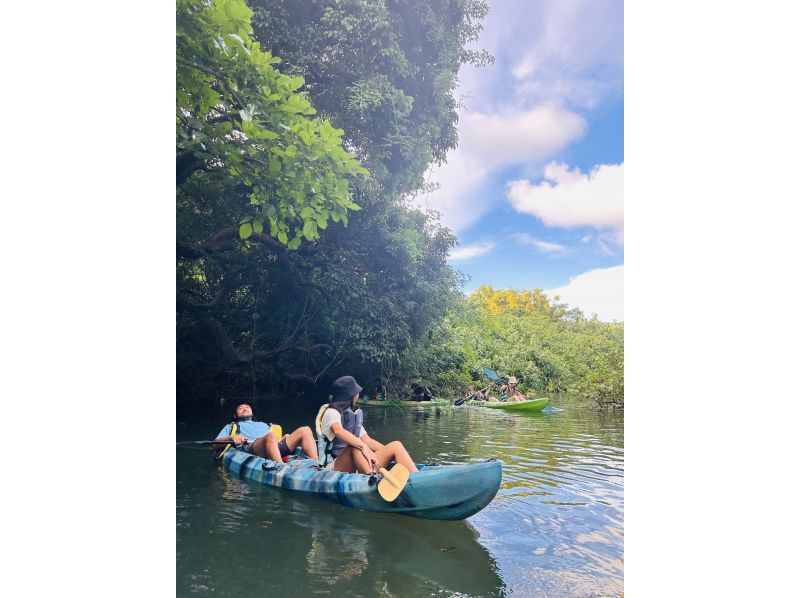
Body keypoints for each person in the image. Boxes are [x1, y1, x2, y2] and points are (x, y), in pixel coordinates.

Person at [317, 376, 418, 474]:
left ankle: (416, 477)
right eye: (356, 392)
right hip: (333, 466)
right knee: (354, 445)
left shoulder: (352, 416)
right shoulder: (331, 412)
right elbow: (338, 431)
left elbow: (367, 441)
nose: (358, 394)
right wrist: (363, 447)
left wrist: (389, 453)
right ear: (351, 395)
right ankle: (371, 476)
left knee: (396, 446)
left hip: (358, 461)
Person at [214, 401, 319, 462]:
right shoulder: (232, 426)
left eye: (247, 407)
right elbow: (215, 445)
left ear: (252, 412)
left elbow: (274, 440)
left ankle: (316, 465)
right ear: (235, 415)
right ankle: (280, 467)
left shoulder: (265, 425)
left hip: (273, 444)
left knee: (305, 430)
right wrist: (231, 437)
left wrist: (284, 438)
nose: (245, 409)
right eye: (240, 408)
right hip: (253, 448)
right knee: (271, 436)